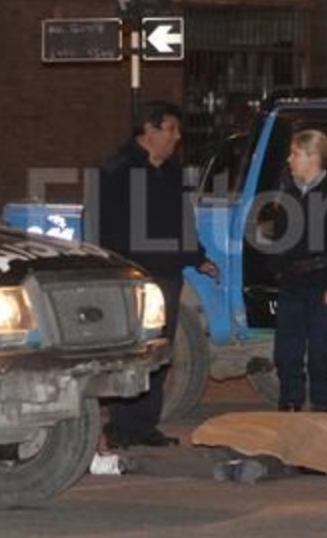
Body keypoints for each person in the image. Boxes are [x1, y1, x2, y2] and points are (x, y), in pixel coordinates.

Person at [96, 101, 219, 448]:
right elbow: (103, 227)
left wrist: (196, 256)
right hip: (133, 276)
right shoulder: (116, 171)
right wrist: (116, 269)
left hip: (167, 274)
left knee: (160, 354)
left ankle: (143, 427)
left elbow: (182, 220)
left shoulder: (170, 171)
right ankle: (121, 429)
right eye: (172, 129)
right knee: (134, 352)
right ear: (149, 131)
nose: (177, 137)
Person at [269, 129, 327, 412]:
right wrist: (280, 269)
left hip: (322, 282)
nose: (289, 159)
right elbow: (280, 236)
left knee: (320, 352)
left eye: (295, 153)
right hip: (293, 282)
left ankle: (323, 406)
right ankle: (290, 403)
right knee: (286, 352)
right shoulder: (288, 189)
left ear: (313, 157)